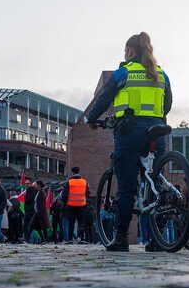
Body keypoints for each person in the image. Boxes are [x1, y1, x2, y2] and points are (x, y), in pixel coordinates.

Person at [87, 32, 173, 252]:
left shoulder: (123, 72)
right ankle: (158, 239)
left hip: (130, 132)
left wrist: (92, 119)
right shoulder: (161, 74)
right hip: (157, 131)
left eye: (125, 50)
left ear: (131, 51)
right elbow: (168, 104)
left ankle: (120, 238)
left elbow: (103, 99)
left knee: (126, 188)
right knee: (157, 184)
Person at [62, 166, 90, 243]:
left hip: (71, 205)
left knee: (71, 222)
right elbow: (88, 193)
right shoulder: (84, 182)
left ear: (72, 172)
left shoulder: (69, 182)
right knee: (81, 222)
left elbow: (64, 195)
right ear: (78, 172)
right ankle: (82, 239)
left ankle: (70, 239)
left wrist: (64, 204)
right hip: (81, 205)